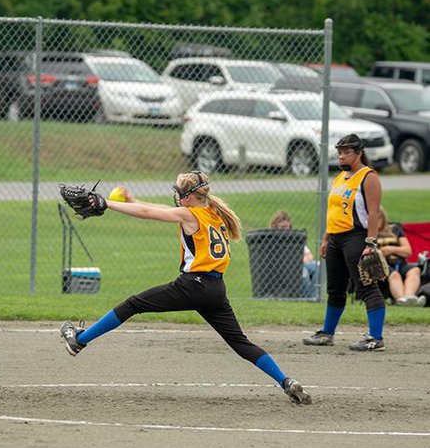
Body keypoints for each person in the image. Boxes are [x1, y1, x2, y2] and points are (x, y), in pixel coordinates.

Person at [60, 171, 311, 405]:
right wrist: (132, 200)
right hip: (216, 290)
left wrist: (106, 203)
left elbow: (148, 213)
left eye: (180, 192)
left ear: (189, 197)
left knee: (133, 304)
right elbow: (158, 210)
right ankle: (286, 381)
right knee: (241, 343)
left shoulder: (190, 214)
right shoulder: (213, 211)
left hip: (193, 285)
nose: (177, 196)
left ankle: (79, 341)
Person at [303, 133, 387, 351]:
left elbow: (374, 213)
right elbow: (332, 213)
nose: (341, 157)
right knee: (335, 289)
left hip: (356, 237)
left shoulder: (368, 177)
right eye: (339, 152)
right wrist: (325, 239)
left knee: (366, 286)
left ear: (359, 153)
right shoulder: (340, 178)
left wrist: (371, 243)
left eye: (346, 152)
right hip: (335, 239)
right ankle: (327, 333)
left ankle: (375, 338)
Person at [376, 207, 425, 307]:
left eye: (378, 219)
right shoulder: (367, 233)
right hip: (381, 265)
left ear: (383, 218)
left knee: (414, 270)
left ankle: (409, 298)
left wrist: (392, 249)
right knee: (394, 275)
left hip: (400, 263)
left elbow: (408, 251)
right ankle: (402, 300)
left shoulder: (395, 229)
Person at [268, 210, 318, 299]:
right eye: (282, 227)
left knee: (317, 266)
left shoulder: (294, 238)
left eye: (287, 227)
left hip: (299, 264)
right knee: (303, 272)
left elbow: (309, 255)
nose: (285, 230)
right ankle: (307, 298)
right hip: (284, 268)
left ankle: (314, 296)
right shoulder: (271, 240)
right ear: (275, 226)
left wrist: (303, 259)